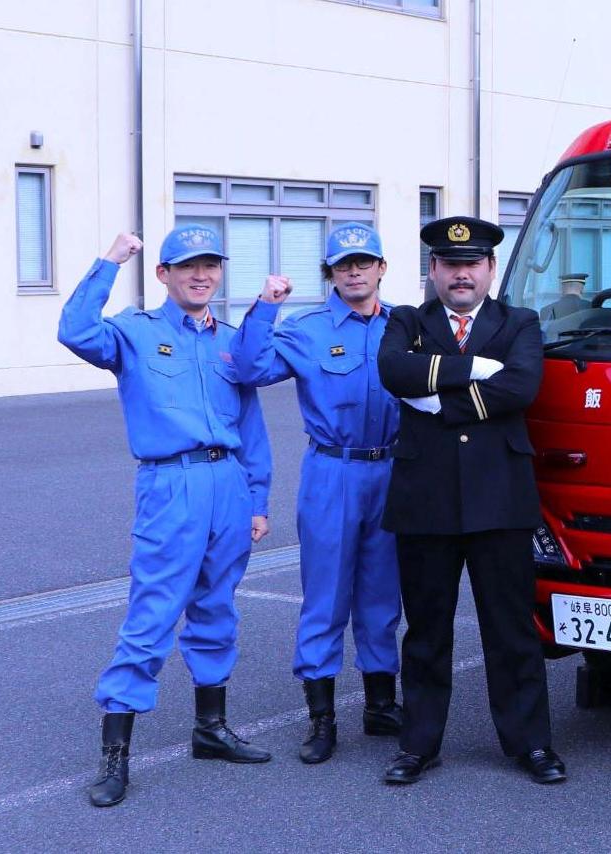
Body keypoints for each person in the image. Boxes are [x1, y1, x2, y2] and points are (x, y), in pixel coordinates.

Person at [58, 226, 274, 808]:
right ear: (163, 275)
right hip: (171, 483)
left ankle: (210, 729)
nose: (200, 275)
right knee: (153, 611)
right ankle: (115, 755)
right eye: (186, 267)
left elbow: (251, 428)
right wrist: (108, 260)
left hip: (227, 481)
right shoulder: (134, 332)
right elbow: (74, 331)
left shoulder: (232, 343)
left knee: (217, 607)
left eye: (209, 265)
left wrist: (257, 500)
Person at [375, 215, 565, 786]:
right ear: (433, 270)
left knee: (510, 629)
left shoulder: (520, 322)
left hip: (499, 498)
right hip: (425, 499)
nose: (462, 274)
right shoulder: (407, 321)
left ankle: (530, 745)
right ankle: (419, 745)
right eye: (450, 265)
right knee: (427, 631)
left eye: (472, 264)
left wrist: (435, 402)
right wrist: (473, 369)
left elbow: (522, 387)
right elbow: (393, 371)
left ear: (490, 269)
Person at [230, 222, 403, 765]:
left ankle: (380, 705)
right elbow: (248, 368)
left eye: (364, 261)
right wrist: (264, 308)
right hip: (333, 471)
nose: (354, 270)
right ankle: (321, 718)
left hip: (393, 468)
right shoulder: (305, 329)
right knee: (326, 595)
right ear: (329, 273)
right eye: (343, 263)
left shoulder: (405, 327)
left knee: (382, 594)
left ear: (381, 268)